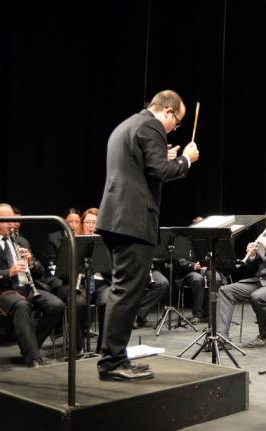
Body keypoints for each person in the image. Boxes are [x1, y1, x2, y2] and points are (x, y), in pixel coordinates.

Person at [95, 89, 200, 381]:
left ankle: (113, 358)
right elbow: (162, 171)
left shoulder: (127, 125)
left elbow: (142, 167)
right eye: (177, 122)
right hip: (133, 220)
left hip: (116, 217)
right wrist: (186, 160)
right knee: (126, 292)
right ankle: (112, 362)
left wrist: (162, 158)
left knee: (123, 290)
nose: (174, 128)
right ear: (168, 111)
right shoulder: (152, 125)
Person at [0, 203, 65, 367]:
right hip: (0, 292)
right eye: (7, 220)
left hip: (26, 287)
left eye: (13, 220)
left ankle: (29, 346)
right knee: (21, 305)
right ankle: (33, 358)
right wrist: (10, 272)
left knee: (56, 305)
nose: (12, 224)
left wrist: (31, 262)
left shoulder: (22, 241)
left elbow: (39, 272)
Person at [216, 206, 266, 348]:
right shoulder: (264, 236)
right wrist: (252, 256)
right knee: (225, 290)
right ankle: (222, 338)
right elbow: (252, 267)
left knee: (257, 296)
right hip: (261, 280)